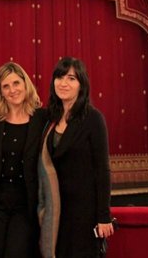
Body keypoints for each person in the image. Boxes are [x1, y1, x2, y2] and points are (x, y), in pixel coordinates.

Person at [38, 56, 113, 257]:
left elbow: (102, 170)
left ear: (82, 84)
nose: (63, 83)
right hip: (56, 209)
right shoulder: (49, 118)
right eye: (59, 77)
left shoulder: (93, 118)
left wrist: (104, 216)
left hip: (84, 210)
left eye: (71, 78)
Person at [0, 62, 46, 258]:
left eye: (16, 83)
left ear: (26, 84)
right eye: (5, 86)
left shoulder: (42, 118)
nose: (12, 90)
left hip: (26, 204)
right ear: (0, 91)